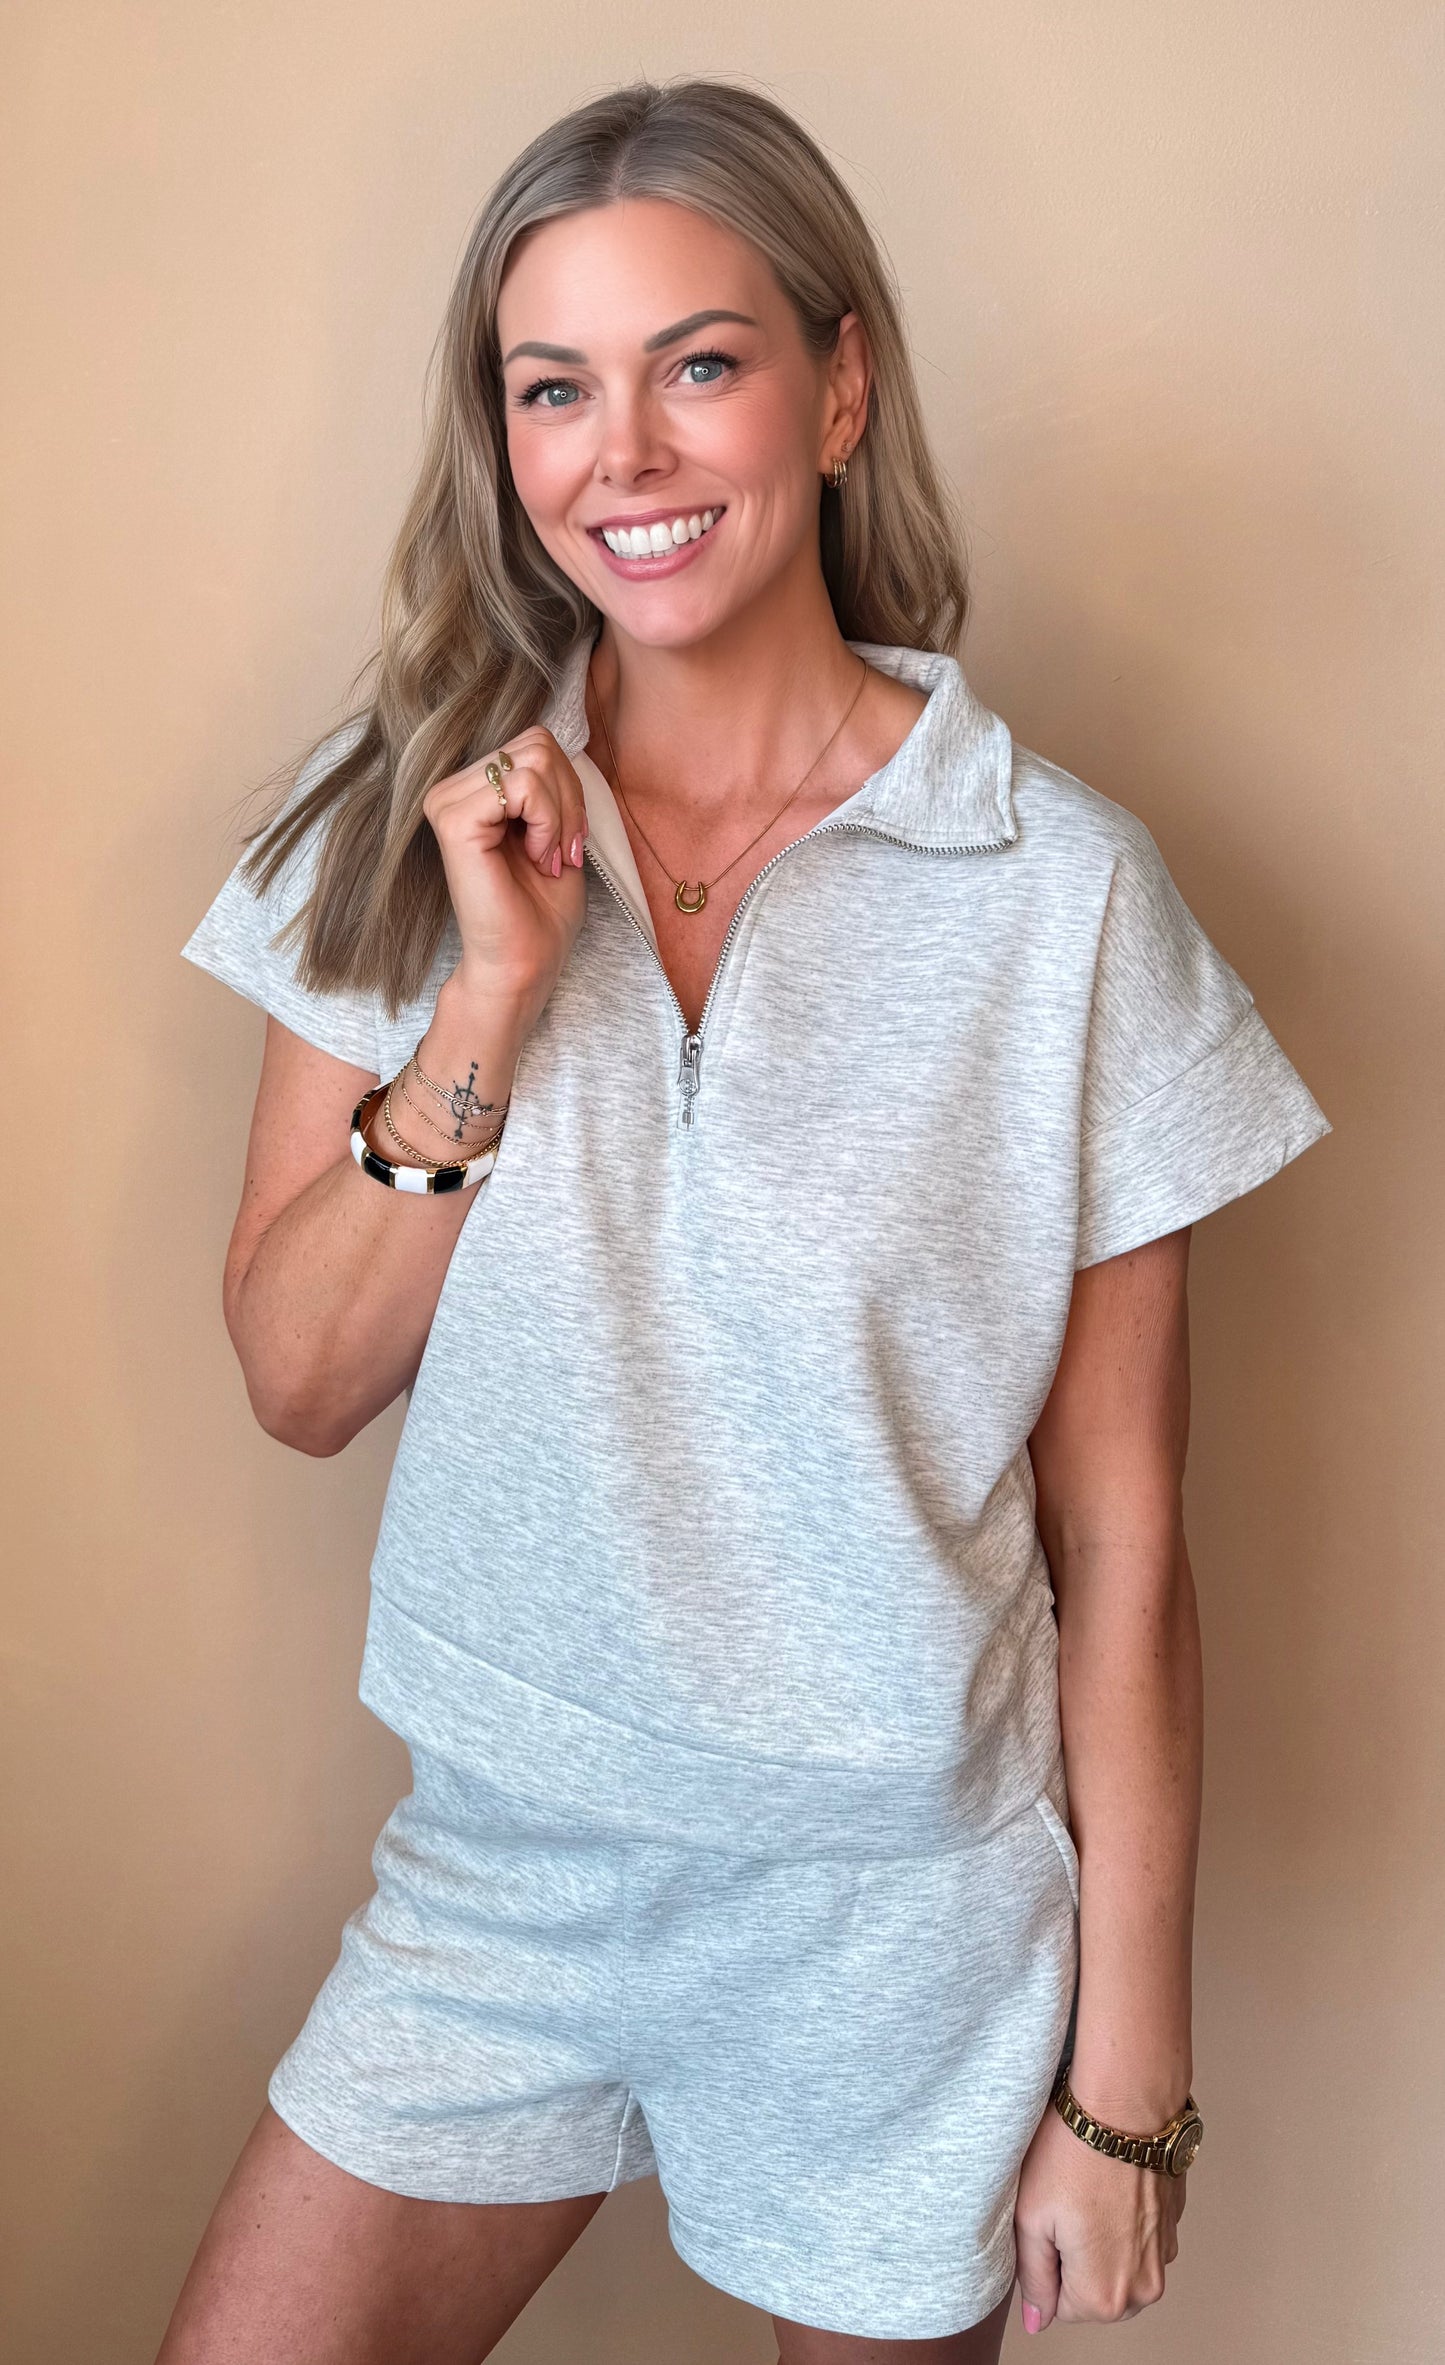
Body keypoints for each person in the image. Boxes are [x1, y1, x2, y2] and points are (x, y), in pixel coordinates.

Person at [160, 75, 1331, 2365]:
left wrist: (1130, 2085)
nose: (629, 452)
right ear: (502, 437)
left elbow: (1125, 1539)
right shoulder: (399, 823)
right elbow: (300, 1382)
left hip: (897, 1918)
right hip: (503, 1872)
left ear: (840, 380)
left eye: (699, 361)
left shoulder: (1061, 897)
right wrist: (488, 998)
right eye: (553, 388)